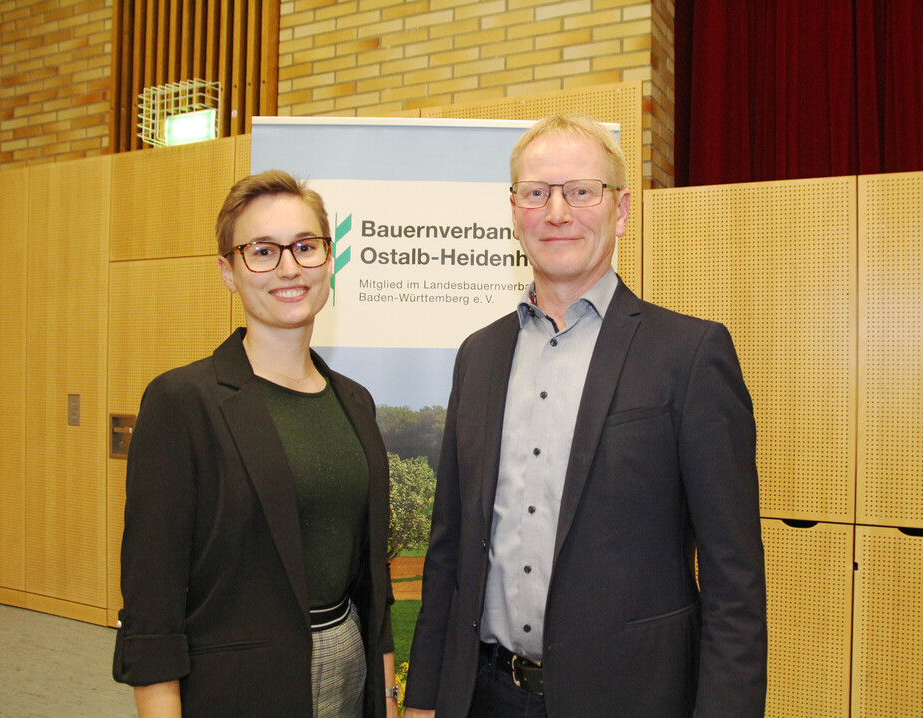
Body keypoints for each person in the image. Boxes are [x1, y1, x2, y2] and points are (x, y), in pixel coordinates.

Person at [403, 116, 767, 717]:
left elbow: (735, 580)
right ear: (514, 209)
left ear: (621, 209)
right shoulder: (479, 355)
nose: (557, 212)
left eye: (581, 191)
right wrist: (423, 699)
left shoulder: (690, 354)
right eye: (537, 192)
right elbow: (449, 547)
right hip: (484, 695)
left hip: (633, 699)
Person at [113, 170, 400, 718]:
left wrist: (385, 698)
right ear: (228, 271)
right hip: (236, 689)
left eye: (305, 246)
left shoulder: (355, 402)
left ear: (329, 259)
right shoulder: (183, 402)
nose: (289, 267)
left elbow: (374, 582)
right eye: (263, 251)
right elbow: (153, 609)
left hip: (348, 670)